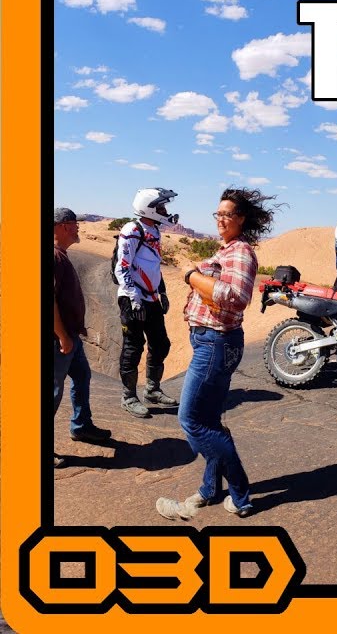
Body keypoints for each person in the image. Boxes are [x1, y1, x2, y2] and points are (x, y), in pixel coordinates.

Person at [156, 188, 279, 521]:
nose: (221, 219)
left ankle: (240, 495)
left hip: (216, 343)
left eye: (227, 214)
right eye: (218, 214)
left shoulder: (241, 252)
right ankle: (211, 490)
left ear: (241, 219)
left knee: (191, 420)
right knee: (209, 421)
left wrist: (191, 275)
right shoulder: (228, 249)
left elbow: (236, 297)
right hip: (211, 342)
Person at [52, 208, 112, 465]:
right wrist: (62, 336)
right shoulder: (54, 256)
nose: (78, 228)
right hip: (58, 340)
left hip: (71, 337)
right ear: (64, 226)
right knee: (52, 391)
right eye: (75, 224)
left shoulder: (61, 255)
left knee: (82, 376)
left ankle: (81, 426)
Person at [115, 188, 180, 418]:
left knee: (161, 344)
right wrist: (134, 298)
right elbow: (122, 267)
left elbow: (153, 265)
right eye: (161, 207)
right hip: (133, 299)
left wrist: (162, 292)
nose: (164, 210)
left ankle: (152, 390)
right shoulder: (132, 230)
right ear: (148, 208)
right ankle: (129, 397)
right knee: (133, 348)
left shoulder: (154, 230)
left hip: (151, 298)